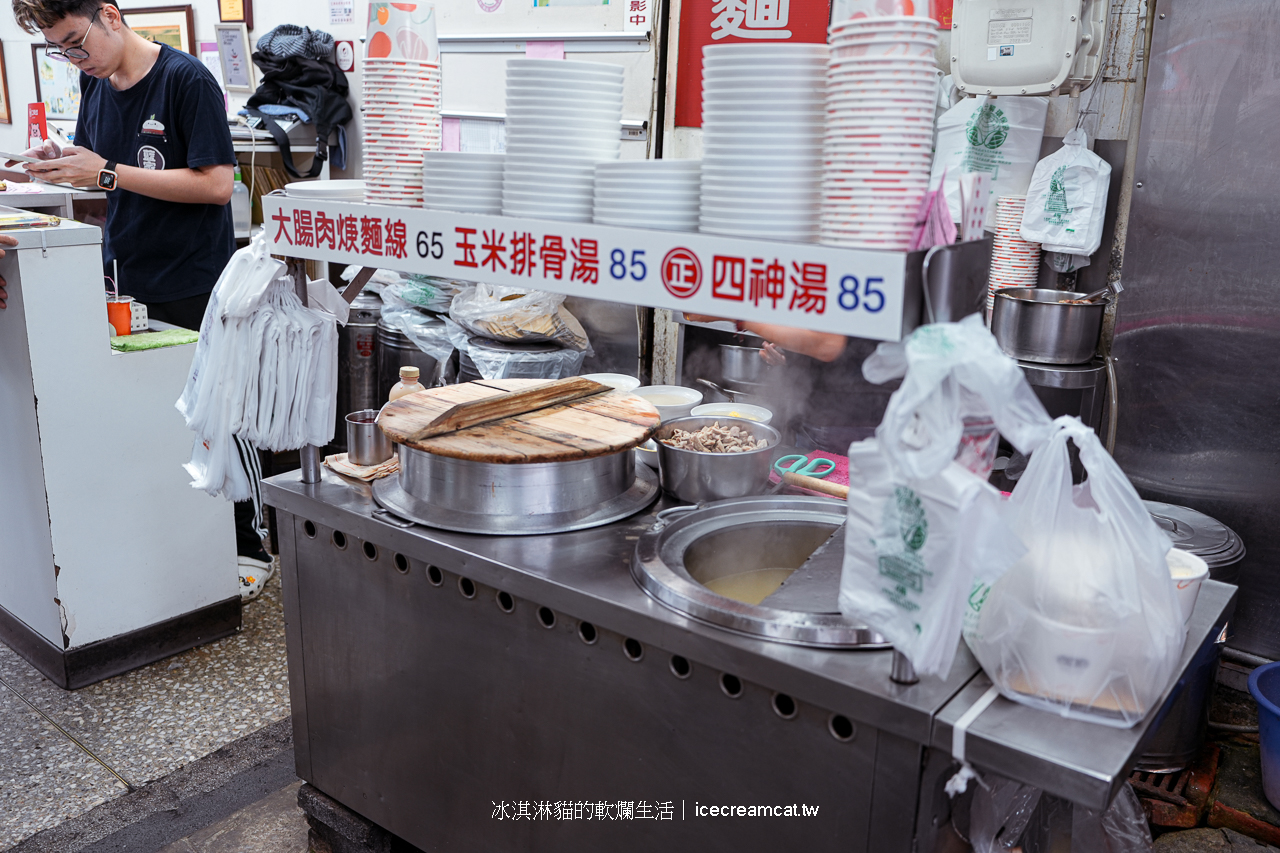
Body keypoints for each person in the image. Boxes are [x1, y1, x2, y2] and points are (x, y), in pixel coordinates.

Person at [10, 0, 274, 600]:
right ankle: (188, 544)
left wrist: (103, 173)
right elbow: (101, 167)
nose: (75, 58)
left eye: (77, 41)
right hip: (124, 275)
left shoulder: (184, 79)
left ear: (109, 15)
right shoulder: (93, 81)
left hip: (191, 279)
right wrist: (57, 166)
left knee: (217, 419)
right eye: (60, 50)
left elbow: (215, 185)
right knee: (159, 420)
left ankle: (250, 544)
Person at [684, 316, 896, 455]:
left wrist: (738, 316)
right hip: (825, 416)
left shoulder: (849, 261)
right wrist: (792, 356)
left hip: (850, 421)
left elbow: (830, 343)